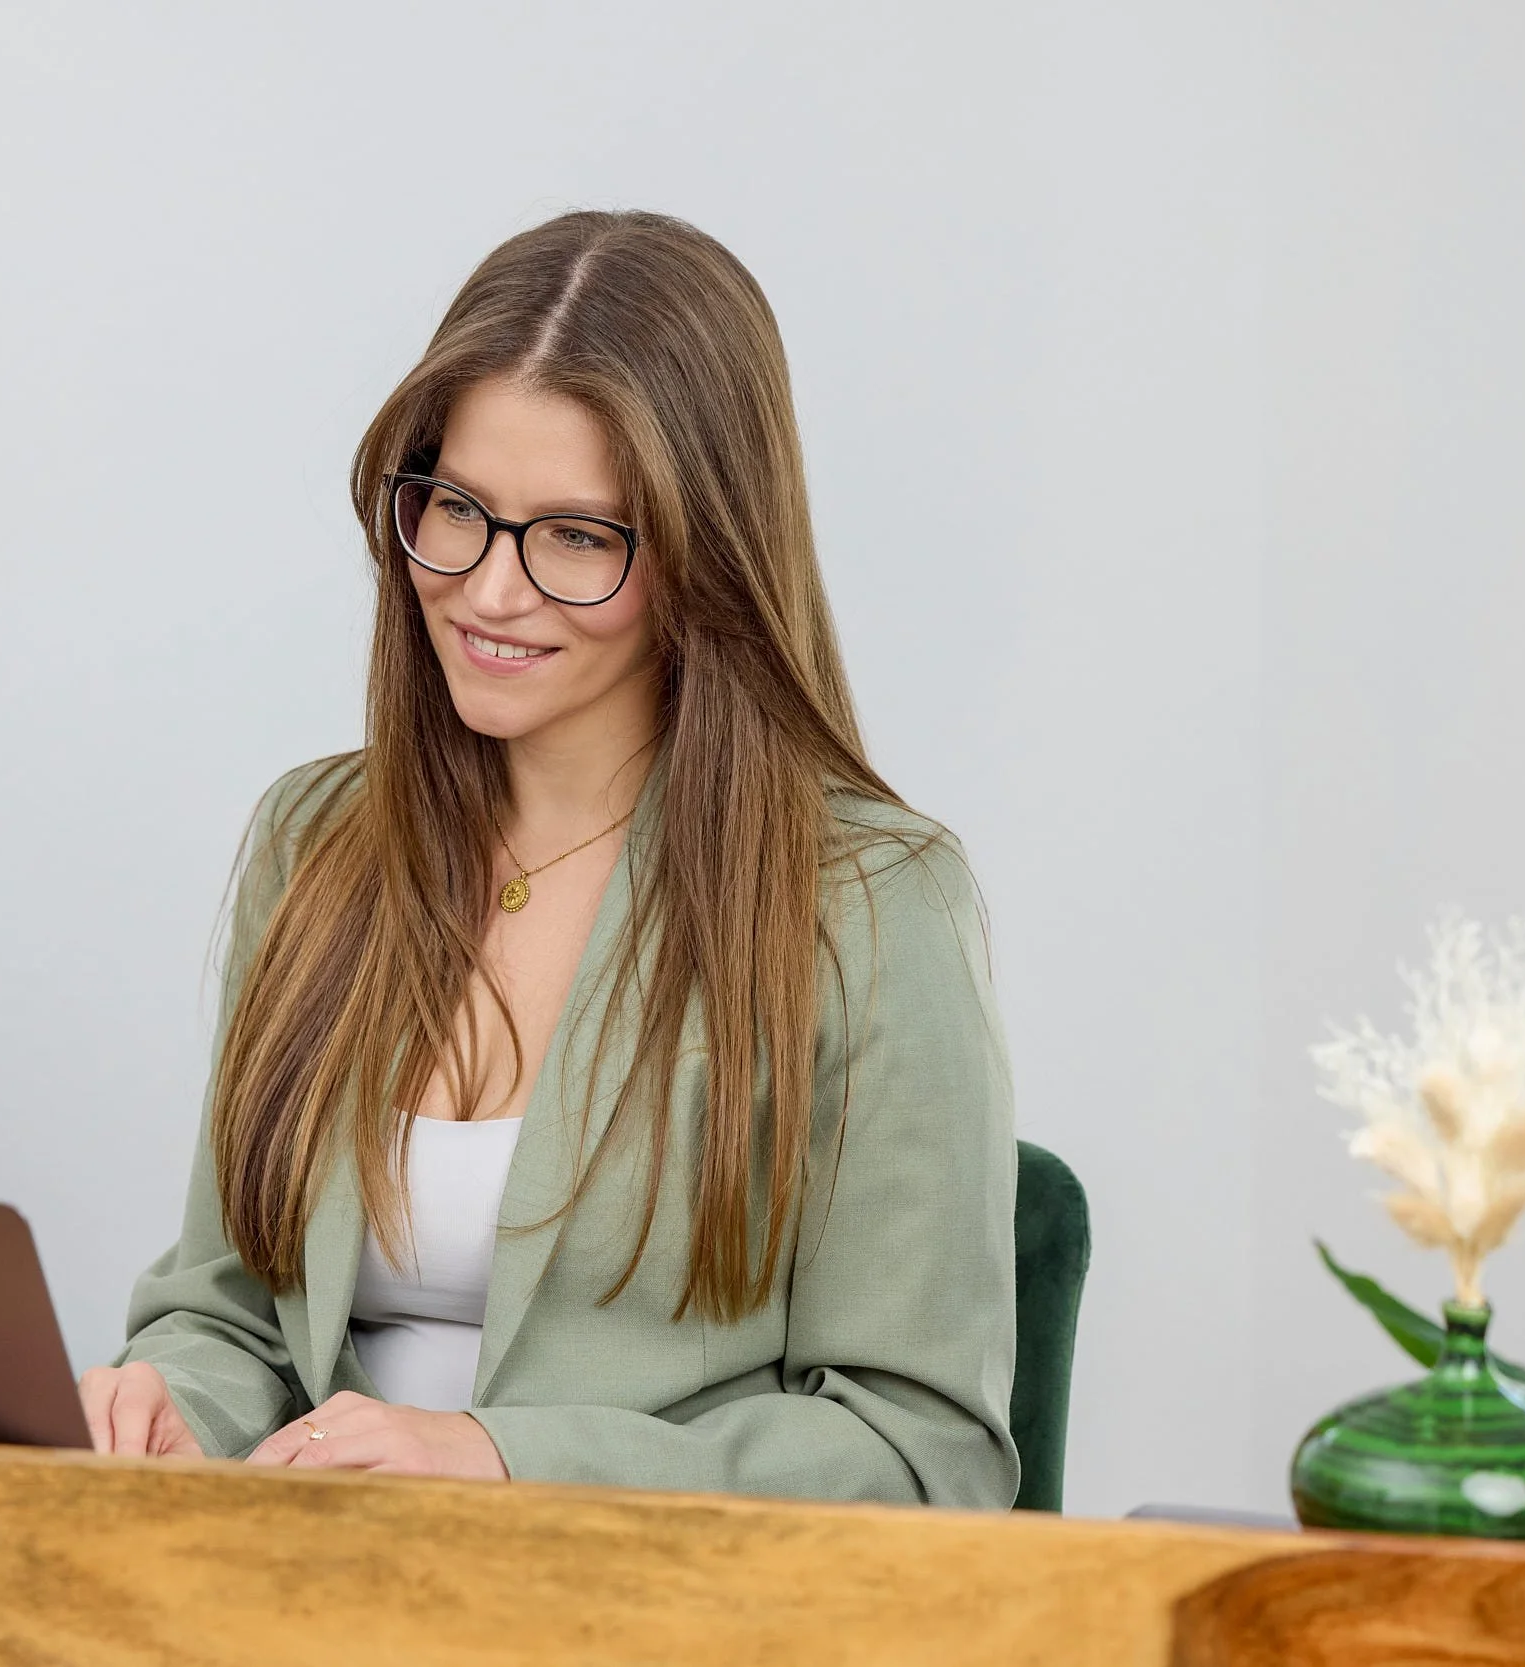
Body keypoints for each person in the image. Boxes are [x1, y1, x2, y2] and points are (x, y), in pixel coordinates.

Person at [77, 210, 1018, 1504]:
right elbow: (230, 1315)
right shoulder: (321, 844)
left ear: (708, 555)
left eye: (578, 537)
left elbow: (924, 1453)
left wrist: (505, 1459)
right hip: (306, 1597)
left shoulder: (867, 905)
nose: (489, 590)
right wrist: (167, 1399)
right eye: (456, 508)